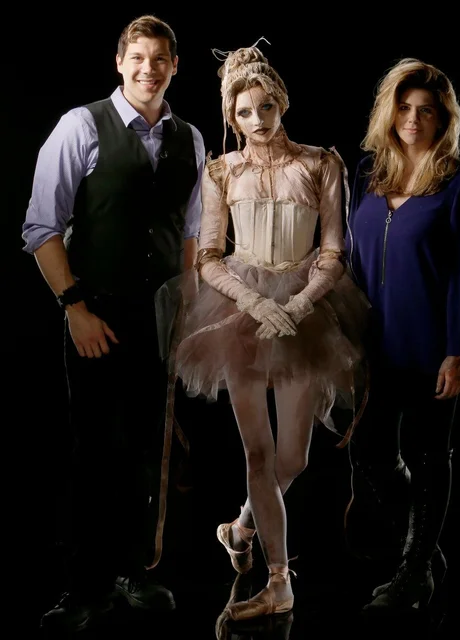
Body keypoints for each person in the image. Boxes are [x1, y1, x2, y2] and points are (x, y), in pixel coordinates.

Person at [167, 44, 369, 620]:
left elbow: (333, 251)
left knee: (293, 457)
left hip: (307, 305)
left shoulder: (321, 164)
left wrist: (300, 303)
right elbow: (209, 256)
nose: (256, 120)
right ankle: (279, 581)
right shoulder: (222, 171)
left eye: (266, 107)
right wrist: (254, 301)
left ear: (282, 104)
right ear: (231, 116)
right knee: (257, 452)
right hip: (241, 309)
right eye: (244, 112)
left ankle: (239, 527)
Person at [21, 14, 205, 633]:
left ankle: (136, 570)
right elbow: (42, 227)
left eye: (160, 59)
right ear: (120, 63)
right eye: (138, 58)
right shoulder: (80, 125)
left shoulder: (191, 139)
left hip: (162, 317)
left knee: (151, 448)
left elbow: (191, 234)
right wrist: (75, 309)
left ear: (174, 66)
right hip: (95, 310)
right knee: (94, 450)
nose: (149, 69)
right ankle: (84, 586)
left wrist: (188, 311)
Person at [345, 58, 460, 611]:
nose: (412, 119)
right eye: (403, 107)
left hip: (431, 348)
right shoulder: (368, 172)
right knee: (369, 452)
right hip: (370, 345)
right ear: (389, 110)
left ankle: (416, 570)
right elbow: (350, 258)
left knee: (429, 457)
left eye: (426, 111)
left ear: (443, 119)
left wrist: (459, 353)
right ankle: (425, 548)